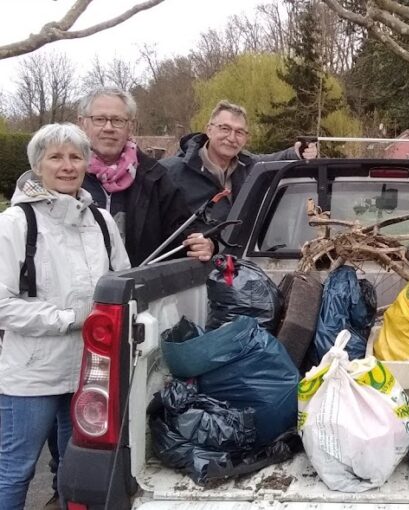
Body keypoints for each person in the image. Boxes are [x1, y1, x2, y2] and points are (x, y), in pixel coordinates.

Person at [0, 124, 131, 509]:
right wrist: (70, 319)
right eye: (56, 157)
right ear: (37, 165)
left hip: (89, 373)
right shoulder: (15, 224)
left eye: (75, 157)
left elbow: (122, 283)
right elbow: (3, 306)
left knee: (70, 469)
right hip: (32, 375)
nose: (67, 166)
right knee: (16, 468)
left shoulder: (102, 223)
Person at [77, 87, 214, 265]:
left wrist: (206, 244)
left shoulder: (155, 177)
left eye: (118, 120)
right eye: (100, 119)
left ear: (130, 126)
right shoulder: (65, 175)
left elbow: (183, 232)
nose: (108, 128)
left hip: (136, 287)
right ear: (82, 123)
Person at [161, 100, 319, 222]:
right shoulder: (171, 172)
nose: (231, 138)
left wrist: (298, 152)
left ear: (246, 138)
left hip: (236, 259)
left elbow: (273, 160)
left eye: (239, 132)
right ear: (209, 130)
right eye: (225, 129)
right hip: (189, 261)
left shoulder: (248, 166)